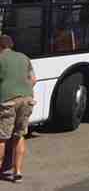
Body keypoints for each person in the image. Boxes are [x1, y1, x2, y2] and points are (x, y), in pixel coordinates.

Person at [0, 35, 35, 184]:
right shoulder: (24, 57)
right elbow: (33, 80)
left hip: (8, 100)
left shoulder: (0, 58)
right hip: (27, 99)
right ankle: (17, 172)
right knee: (19, 135)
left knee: (2, 138)